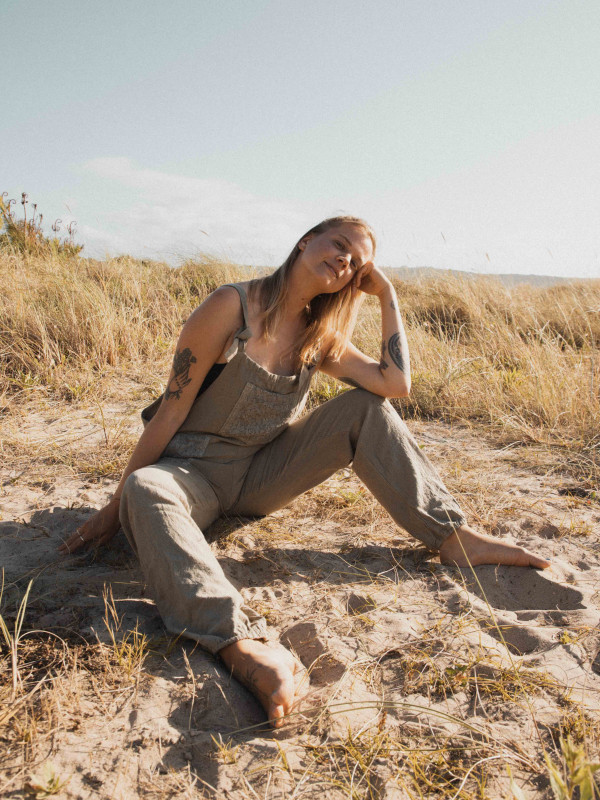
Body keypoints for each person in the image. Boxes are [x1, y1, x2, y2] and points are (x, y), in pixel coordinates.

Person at [60, 216, 550, 727]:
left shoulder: (322, 338)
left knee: (366, 408)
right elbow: (170, 412)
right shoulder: (232, 306)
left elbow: (395, 384)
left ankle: (451, 536)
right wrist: (115, 509)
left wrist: (386, 296)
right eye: (339, 245)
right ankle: (237, 642)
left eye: (356, 262)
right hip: (191, 475)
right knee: (145, 488)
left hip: (259, 477)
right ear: (304, 242)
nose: (345, 260)